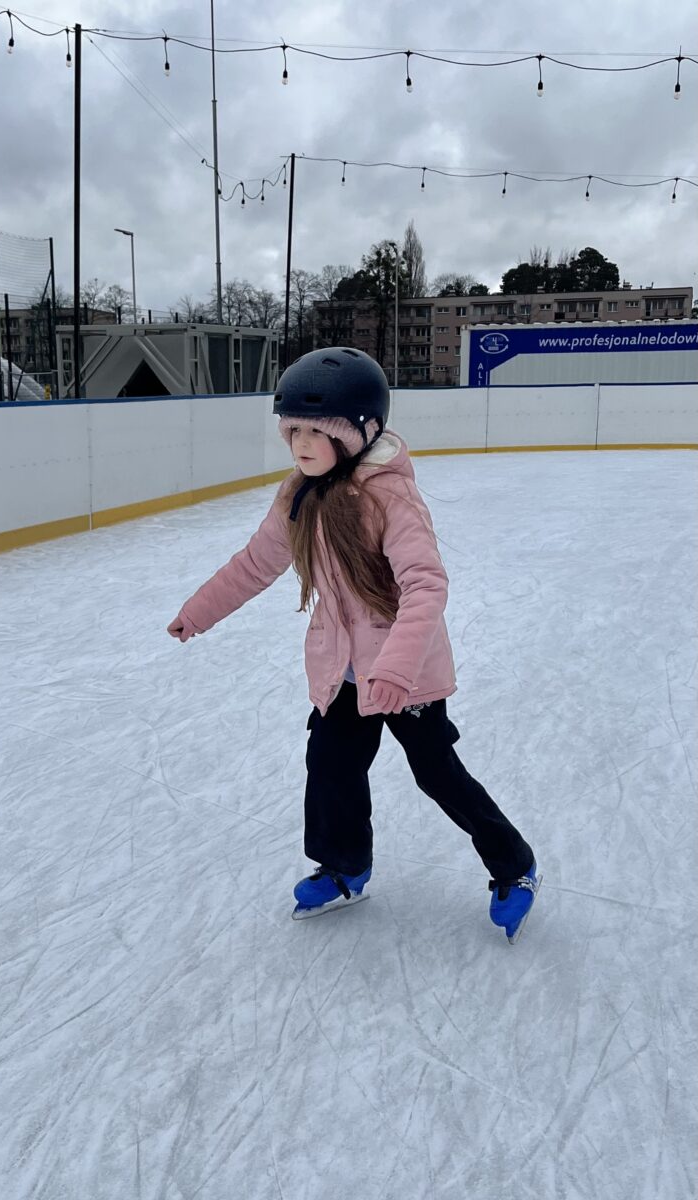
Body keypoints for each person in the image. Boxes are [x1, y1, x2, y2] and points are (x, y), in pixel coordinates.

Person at [167, 347, 539, 941]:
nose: (301, 443)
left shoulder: (389, 497)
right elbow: (255, 564)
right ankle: (344, 866)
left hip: (404, 671)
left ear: (362, 432)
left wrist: (394, 668)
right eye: (294, 430)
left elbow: (425, 585)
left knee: (437, 773)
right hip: (341, 670)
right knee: (331, 766)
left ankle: (515, 867)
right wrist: (198, 612)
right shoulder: (298, 496)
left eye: (319, 431)